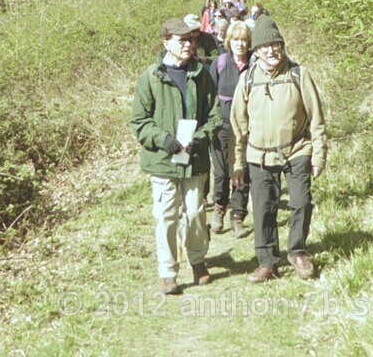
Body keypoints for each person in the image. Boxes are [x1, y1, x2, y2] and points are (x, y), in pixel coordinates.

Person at [230, 15, 327, 283]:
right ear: (257, 51)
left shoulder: (299, 74)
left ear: (282, 46)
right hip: (258, 154)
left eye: (276, 45)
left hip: (297, 150)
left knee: (301, 203)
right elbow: (237, 126)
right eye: (264, 47)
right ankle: (267, 262)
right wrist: (236, 165)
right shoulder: (247, 80)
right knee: (263, 209)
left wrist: (318, 154)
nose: (271, 51)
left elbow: (317, 119)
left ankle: (297, 252)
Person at [130, 18, 222, 295]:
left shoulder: (201, 74)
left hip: (194, 159)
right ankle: (168, 272)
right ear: (165, 42)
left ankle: (197, 261)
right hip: (162, 160)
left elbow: (215, 116)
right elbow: (139, 121)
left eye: (191, 40)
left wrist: (200, 139)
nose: (188, 44)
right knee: (166, 216)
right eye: (181, 40)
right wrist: (164, 140)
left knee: (195, 213)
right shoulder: (151, 77)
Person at [209, 21, 253, 238]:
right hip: (222, 127)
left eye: (244, 40)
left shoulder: (255, 64)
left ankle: (238, 216)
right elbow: (208, 96)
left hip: (248, 128)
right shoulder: (220, 63)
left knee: (242, 172)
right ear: (229, 42)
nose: (240, 45)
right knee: (221, 172)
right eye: (236, 40)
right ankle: (219, 207)